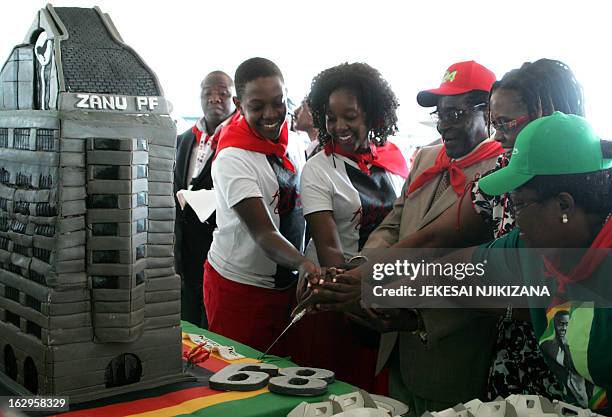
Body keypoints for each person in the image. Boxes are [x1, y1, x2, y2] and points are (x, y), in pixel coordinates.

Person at [313, 59, 585, 402]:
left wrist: (396, 297)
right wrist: (364, 274)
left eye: (503, 123)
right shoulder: (504, 171)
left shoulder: (573, 193)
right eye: (494, 123)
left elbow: (519, 291)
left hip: (558, 360)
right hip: (508, 363)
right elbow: (439, 240)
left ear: (548, 113)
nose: (497, 134)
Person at [307, 60, 504, 413]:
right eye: (440, 115)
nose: (444, 126)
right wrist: (364, 272)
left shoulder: (501, 174)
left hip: (450, 348)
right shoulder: (427, 157)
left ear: (487, 112)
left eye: (455, 115)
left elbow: (490, 270)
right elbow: (394, 225)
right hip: (394, 342)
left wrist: (413, 311)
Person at [474, 112, 611, 414]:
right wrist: (377, 280)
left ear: (564, 205)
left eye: (519, 204)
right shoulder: (534, 246)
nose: (514, 218)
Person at [294, 62, 407, 390]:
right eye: (331, 117)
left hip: (376, 299)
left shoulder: (393, 163)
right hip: (335, 301)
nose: (338, 126)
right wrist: (365, 299)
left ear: (371, 115)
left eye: (350, 116)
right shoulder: (318, 170)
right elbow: (330, 252)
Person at [204, 57, 318, 354]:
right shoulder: (233, 157)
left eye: (278, 102)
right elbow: (264, 234)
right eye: (257, 107)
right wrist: (305, 264)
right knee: (240, 378)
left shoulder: (291, 143)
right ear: (239, 105)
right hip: (240, 289)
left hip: (286, 285)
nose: (271, 114)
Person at [174, 71, 238, 328]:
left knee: (214, 330)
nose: (214, 98)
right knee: (186, 327)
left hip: (223, 253)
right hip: (185, 254)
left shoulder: (239, 139)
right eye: (208, 93)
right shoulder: (184, 138)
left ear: (235, 98)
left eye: (222, 93)